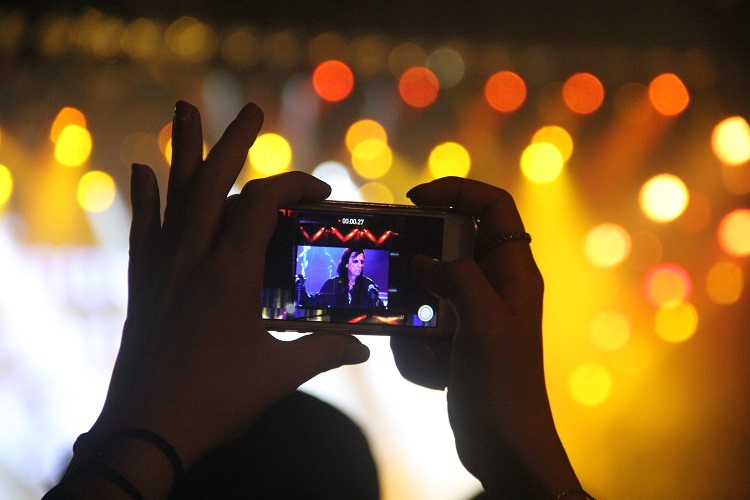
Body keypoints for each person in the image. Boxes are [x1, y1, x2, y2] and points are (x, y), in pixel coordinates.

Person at [43, 101, 592, 499]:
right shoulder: (334, 290)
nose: (356, 262)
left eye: (358, 259)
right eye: (351, 260)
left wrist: (135, 425)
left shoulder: (362, 288)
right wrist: (526, 471)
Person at [296, 247, 383, 309]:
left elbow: (381, 311)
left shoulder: (367, 284)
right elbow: (313, 304)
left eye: (362, 262)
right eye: (355, 262)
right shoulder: (334, 284)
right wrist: (301, 289)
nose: (360, 266)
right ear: (346, 264)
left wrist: (376, 300)